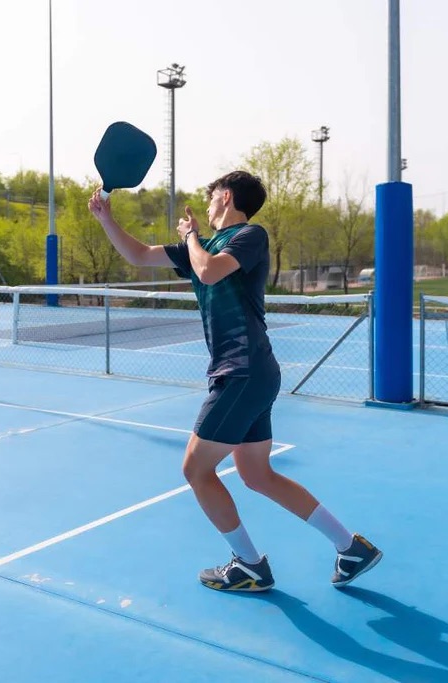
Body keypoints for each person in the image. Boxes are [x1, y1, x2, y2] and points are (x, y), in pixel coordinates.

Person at [88, 170, 381, 592]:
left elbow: (209, 272)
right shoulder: (200, 248)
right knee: (257, 475)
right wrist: (106, 219)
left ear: (226, 197)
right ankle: (350, 547)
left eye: (211, 199)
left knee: (195, 469)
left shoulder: (248, 236)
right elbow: (139, 255)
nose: (207, 208)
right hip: (250, 373)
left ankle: (249, 564)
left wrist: (191, 236)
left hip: (241, 372)